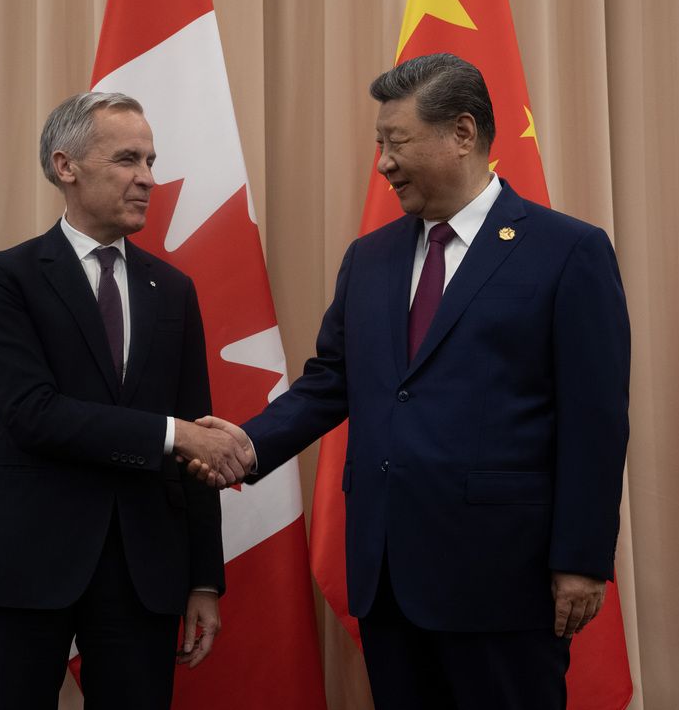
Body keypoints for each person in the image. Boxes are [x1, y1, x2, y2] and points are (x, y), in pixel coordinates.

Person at [192, 54, 631, 709]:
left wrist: (583, 559)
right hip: (387, 576)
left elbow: (595, 419)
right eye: (379, 145)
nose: (383, 164)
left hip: (503, 581)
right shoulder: (370, 258)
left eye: (396, 144)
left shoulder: (567, 252)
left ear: (461, 133)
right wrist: (249, 445)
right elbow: (330, 381)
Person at [0, 92, 251, 710]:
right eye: (128, 159)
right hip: (22, 554)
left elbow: (200, 437)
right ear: (66, 165)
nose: (149, 179)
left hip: (143, 566)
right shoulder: (3, 278)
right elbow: (32, 412)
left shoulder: (173, 290)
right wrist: (173, 435)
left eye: (151, 160)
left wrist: (205, 578)